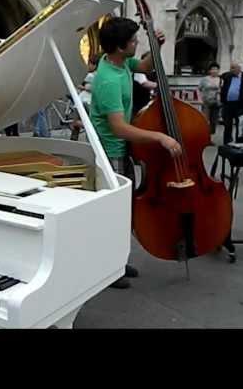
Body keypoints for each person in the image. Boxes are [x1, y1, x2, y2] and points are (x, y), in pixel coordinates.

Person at [90, 17, 181, 289]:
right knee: (112, 215)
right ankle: (105, 269)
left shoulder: (120, 64)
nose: (136, 43)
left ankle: (116, 261)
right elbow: (118, 128)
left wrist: (157, 48)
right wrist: (160, 137)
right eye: (133, 41)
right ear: (119, 47)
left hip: (122, 150)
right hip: (111, 151)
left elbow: (143, 65)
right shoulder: (107, 80)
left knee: (124, 211)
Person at [220, 62, 243, 144]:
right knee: (227, 124)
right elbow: (223, 88)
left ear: (239, 69)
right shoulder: (227, 76)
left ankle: (239, 142)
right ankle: (227, 141)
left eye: (233, 68)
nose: (231, 70)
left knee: (240, 125)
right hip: (228, 104)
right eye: (231, 68)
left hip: (240, 105)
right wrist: (222, 101)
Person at [198, 62, 222, 136]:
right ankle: (204, 136)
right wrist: (200, 99)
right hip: (206, 102)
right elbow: (199, 89)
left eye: (216, 69)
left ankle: (210, 135)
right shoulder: (204, 79)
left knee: (214, 121)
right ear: (209, 70)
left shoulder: (221, 79)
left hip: (216, 103)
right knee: (205, 120)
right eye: (213, 69)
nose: (214, 71)